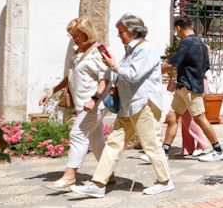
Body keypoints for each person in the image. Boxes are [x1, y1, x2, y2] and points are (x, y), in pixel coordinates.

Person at [71, 14, 175, 198]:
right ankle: (98, 183)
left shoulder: (146, 49)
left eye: (121, 32)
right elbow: (121, 75)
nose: (119, 36)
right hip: (128, 105)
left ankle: (165, 181)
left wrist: (114, 66)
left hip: (144, 104)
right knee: (113, 144)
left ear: (133, 31)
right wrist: (111, 68)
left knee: (151, 144)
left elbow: (133, 75)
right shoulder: (130, 51)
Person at [39, 17, 109, 190]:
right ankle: (108, 173)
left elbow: (105, 79)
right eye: (72, 36)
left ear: (87, 34)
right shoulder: (78, 53)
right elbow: (69, 78)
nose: (74, 39)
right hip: (82, 103)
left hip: (94, 104)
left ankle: (70, 176)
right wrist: (52, 91)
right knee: (96, 139)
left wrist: (94, 100)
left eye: (77, 36)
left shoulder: (98, 52)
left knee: (78, 134)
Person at [161, 16, 223, 162]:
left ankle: (218, 150)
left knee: (200, 119)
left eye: (176, 31)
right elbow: (206, 66)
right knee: (172, 117)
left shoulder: (186, 43)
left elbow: (172, 63)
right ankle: (163, 151)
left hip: (190, 88)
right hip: (184, 87)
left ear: (178, 28)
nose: (176, 34)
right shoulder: (201, 44)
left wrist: (153, 71)